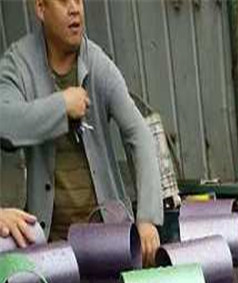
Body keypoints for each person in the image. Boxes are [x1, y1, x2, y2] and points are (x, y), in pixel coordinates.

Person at [0, 0, 163, 264]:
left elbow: (139, 134)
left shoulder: (98, 63)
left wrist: (147, 218)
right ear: (41, 8)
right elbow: (5, 122)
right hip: (47, 245)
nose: (75, 9)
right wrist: (61, 107)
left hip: (108, 238)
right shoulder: (17, 64)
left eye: (79, 0)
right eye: (64, 1)